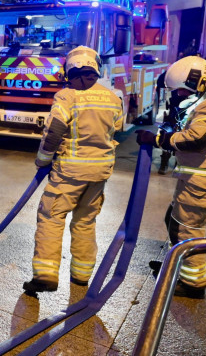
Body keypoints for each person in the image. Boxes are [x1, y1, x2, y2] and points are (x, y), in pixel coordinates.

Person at [136, 56, 206, 298]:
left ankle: (193, 284)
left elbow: (196, 138)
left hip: (203, 181)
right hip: (198, 179)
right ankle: (178, 266)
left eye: (182, 89)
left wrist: (159, 140)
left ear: (195, 81)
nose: (181, 95)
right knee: (174, 222)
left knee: (188, 231)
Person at [23, 46, 124, 294]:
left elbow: (55, 129)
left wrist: (43, 160)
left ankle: (46, 275)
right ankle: (80, 277)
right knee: (85, 222)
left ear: (70, 69)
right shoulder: (112, 97)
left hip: (69, 172)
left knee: (51, 218)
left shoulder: (67, 96)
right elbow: (117, 127)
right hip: (100, 173)